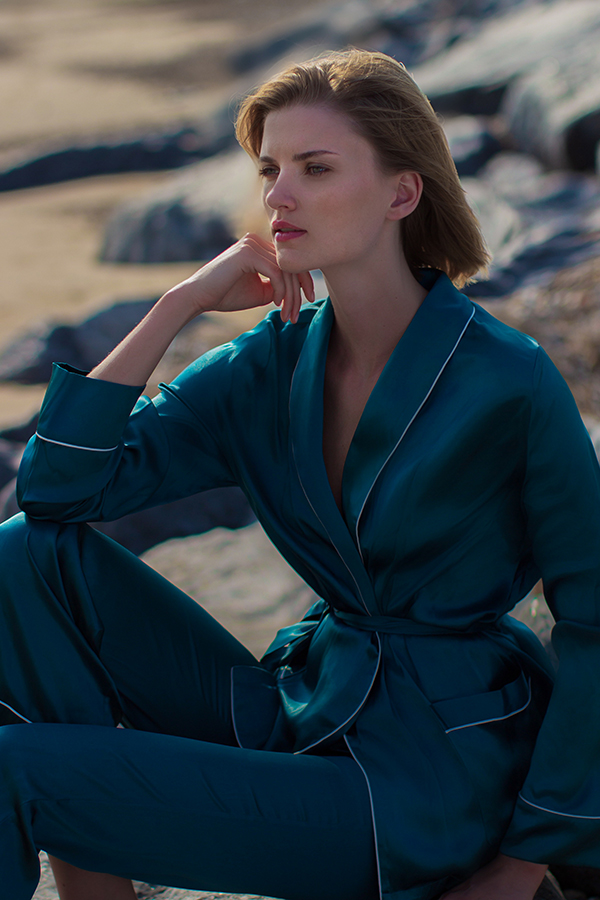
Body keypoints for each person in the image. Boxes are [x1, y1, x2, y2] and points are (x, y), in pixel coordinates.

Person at [0, 47, 598, 900]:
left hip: (428, 777)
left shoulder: (508, 381)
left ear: (402, 192)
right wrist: (178, 305)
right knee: (24, 558)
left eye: (315, 168)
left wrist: (523, 860)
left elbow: (597, 618)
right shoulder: (270, 365)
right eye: (271, 169)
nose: (278, 195)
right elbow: (58, 491)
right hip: (307, 706)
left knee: (12, 771)